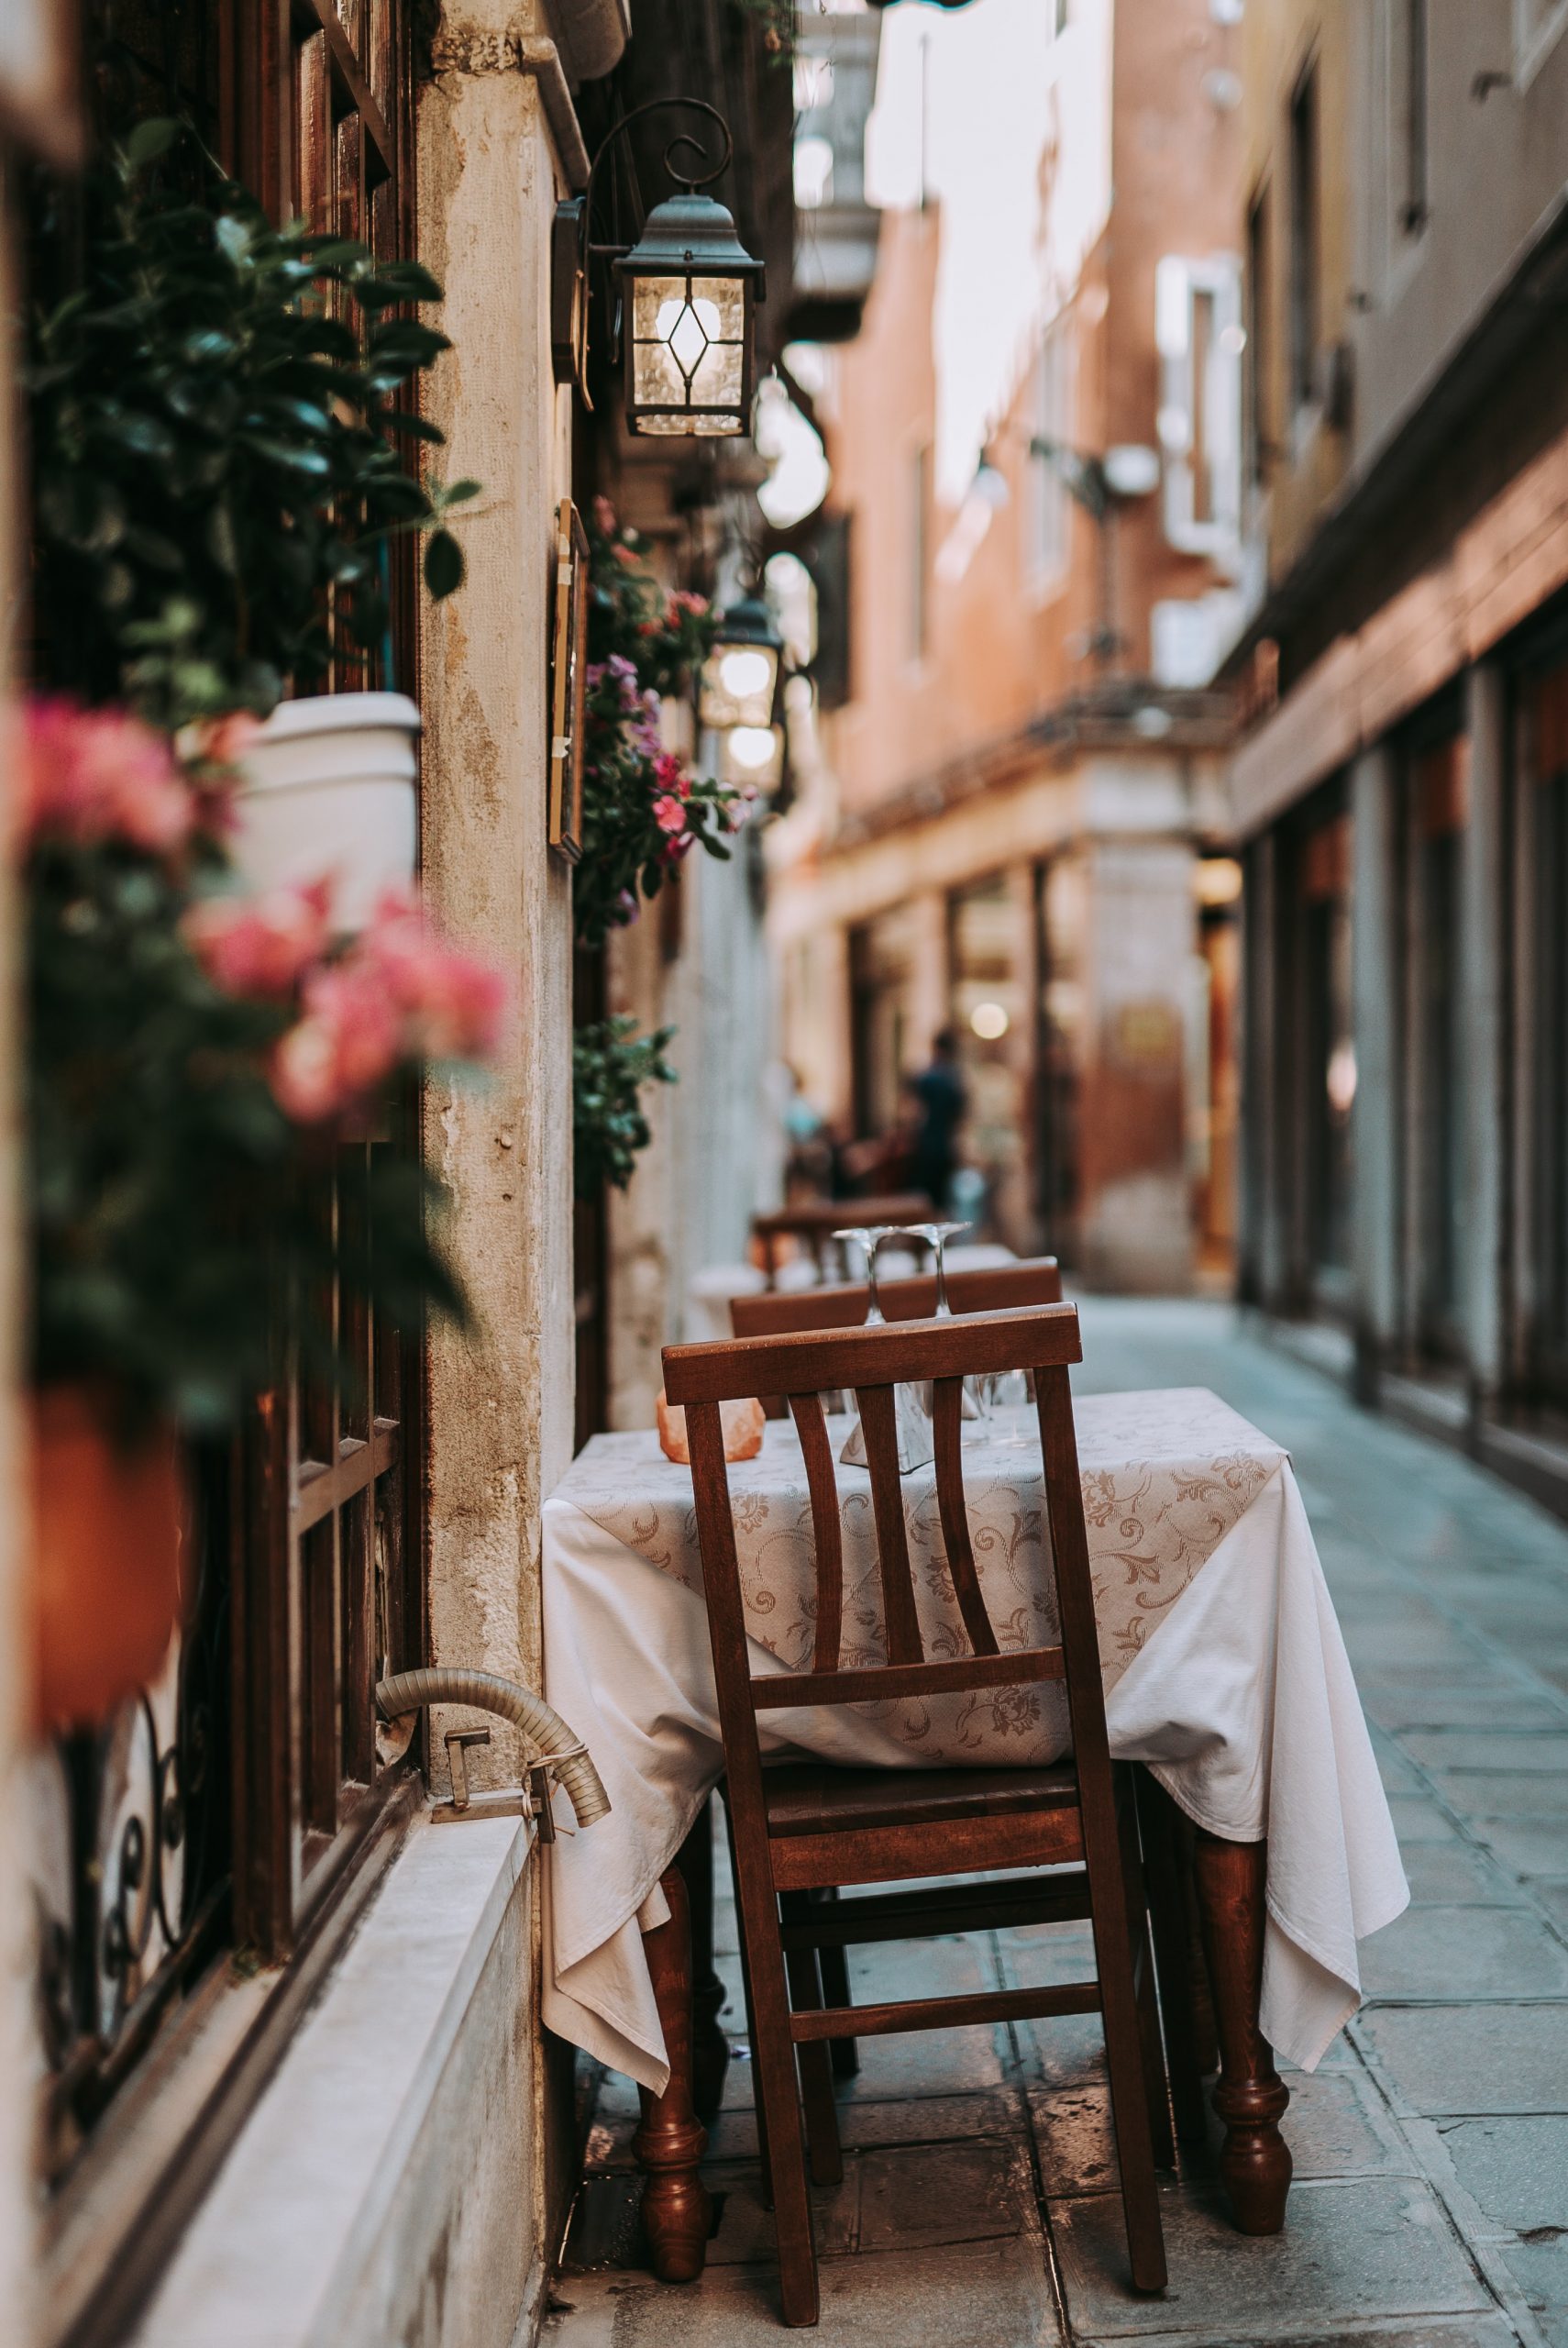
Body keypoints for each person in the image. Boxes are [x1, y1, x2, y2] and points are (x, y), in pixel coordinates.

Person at [907, 1028, 967, 1210]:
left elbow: (913, 1111)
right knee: (942, 1199)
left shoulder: (928, 1077)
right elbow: (961, 1113)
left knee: (926, 1198)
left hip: (927, 1144)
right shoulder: (954, 1078)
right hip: (946, 1144)